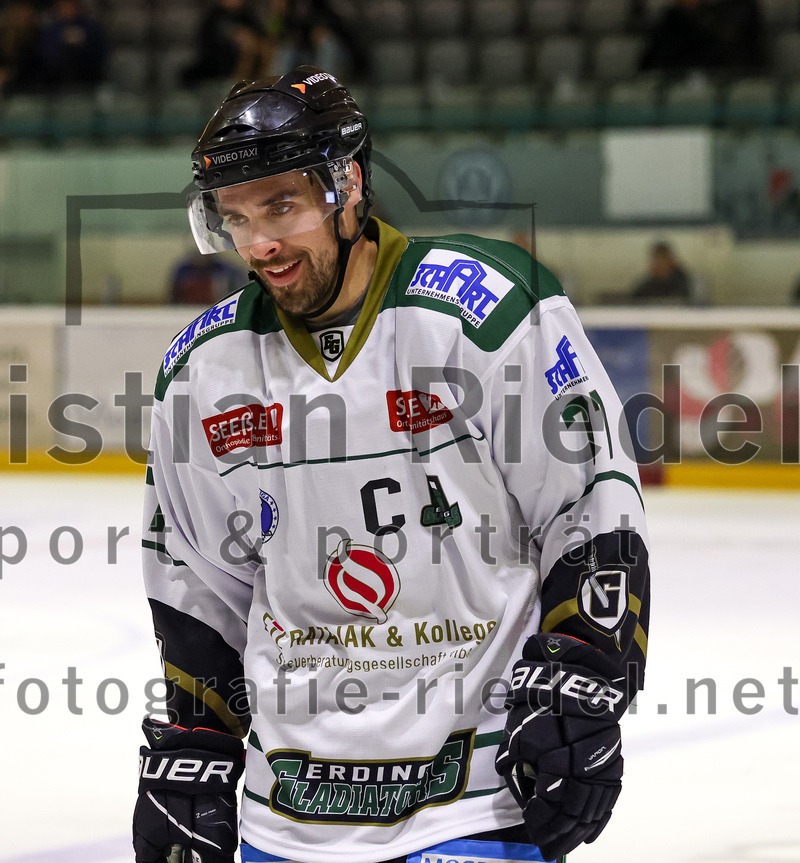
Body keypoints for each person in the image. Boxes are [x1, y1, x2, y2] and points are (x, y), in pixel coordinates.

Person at [136, 67, 650, 863]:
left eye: (281, 205)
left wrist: (583, 675)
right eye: (236, 218)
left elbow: (589, 506)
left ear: (348, 185)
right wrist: (195, 745)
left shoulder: (483, 311)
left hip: (473, 795)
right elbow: (201, 583)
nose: (260, 244)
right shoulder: (206, 368)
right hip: (291, 809)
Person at [180, 0, 268, 89]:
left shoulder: (246, 16)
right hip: (218, 77)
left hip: (250, 77)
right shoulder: (215, 18)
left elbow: (262, 37)